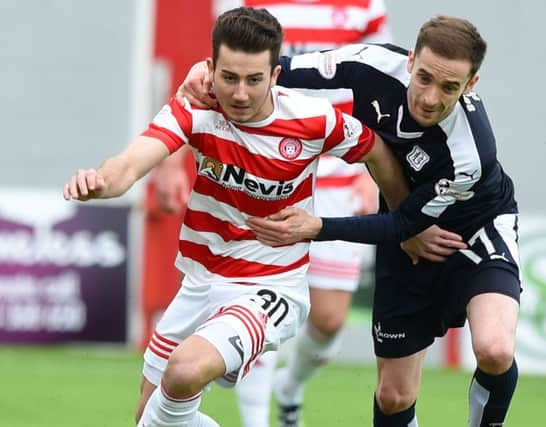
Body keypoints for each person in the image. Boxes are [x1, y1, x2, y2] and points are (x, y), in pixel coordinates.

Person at [63, 7, 407, 427]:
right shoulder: (194, 110)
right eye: (229, 78)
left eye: (254, 80)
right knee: (149, 420)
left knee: (185, 371)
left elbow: (379, 152)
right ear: (210, 69)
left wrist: (407, 222)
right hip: (201, 282)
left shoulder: (314, 119)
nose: (240, 94)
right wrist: (99, 181)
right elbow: (130, 164)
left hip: (273, 287)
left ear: (275, 75)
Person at [179, 15, 521, 427]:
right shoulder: (370, 62)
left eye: (449, 88)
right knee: (394, 397)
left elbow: (404, 225)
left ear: (470, 86)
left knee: (495, 348)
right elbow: (278, 68)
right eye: (425, 77)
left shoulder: (470, 151)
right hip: (405, 225)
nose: (430, 98)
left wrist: (318, 227)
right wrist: (204, 69)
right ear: (411, 60)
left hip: (474, 231)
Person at [160, 1, 396, 426]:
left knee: (328, 320)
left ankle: (290, 388)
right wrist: (172, 162)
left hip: (336, 169)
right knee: (253, 297)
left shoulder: (364, 6)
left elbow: (378, 79)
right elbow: (209, 72)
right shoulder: (247, 6)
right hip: (257, 163)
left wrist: (371, 174)